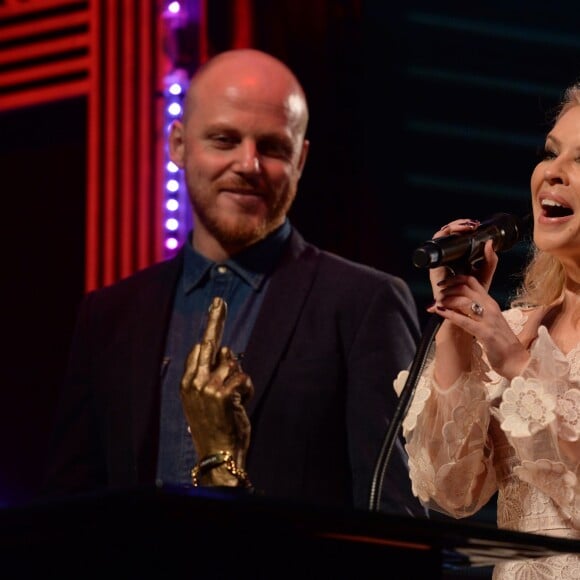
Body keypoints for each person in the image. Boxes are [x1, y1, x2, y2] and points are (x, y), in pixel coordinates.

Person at [41, 48, 425, 517]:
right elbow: (67, 516)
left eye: (272, 147)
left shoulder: (365, 305)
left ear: (301, 159)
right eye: (224, 140)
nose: (249, 164)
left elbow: (393, 525)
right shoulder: (108, 315)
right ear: (177, 145)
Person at [394, 82, 580, 578]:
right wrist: (458, 324)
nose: (552, 173)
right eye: (551, 153)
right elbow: (450, 492)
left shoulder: (512, 346)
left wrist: (519, 366)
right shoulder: (516, 328)